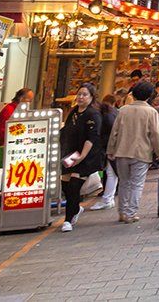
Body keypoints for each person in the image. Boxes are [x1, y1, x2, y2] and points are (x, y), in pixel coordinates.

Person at [107, 80, 159, 223]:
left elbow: (115, 132)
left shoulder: (123, 110)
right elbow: (155, 134)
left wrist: (111, 149)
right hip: (141, 152)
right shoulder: (151, 112)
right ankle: (131, 213)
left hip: (122, 151)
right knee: (137, 184)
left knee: (124, 182)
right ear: (149, 95)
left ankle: (122, 212)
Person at [58, 84, 105, 233]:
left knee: (74, 186)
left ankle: (68, 220)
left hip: (85, 156)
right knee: (65, 185)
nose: (81, 97)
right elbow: (66, 131)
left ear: (91, 97)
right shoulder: (73, 113)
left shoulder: (93, 115)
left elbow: (92, 137)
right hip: (70, 155)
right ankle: (76, 209)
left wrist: (83, 155)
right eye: (79, 94)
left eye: (85, 95)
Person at [89, 93, 120, 211]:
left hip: (108, 148)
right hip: (111, 148)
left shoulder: (105, 116)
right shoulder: (112, 113)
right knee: (111, 173)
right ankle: (108, 198)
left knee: (111, 173)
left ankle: (107, 199)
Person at [0, 88, 31, 163]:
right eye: (29, 100)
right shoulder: (10, 111)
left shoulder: (15, 111)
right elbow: (2, 133)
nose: (30, 103)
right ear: (21, 99)